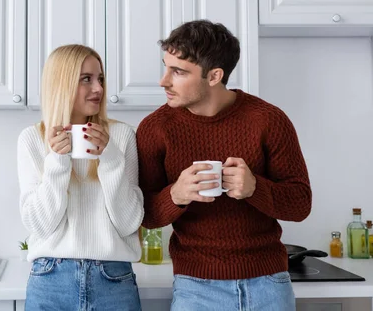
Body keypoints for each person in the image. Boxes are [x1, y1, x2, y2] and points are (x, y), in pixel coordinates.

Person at [136, 20, 312, 311]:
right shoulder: (155, 128)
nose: (163, 81)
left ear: (214, 75)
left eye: (178, 71)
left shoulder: (269, 120)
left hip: (268, 284)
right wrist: (175, 196)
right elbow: (144, 215)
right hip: (195, 288)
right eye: (166, 67)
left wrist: (255, 188)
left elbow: (300, 204)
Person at [17, 44, 144, 311]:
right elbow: (40, 225)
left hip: (114, 281)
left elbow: (128, 222)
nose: (98, 88)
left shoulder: (122, 137)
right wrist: (57, 160)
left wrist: (109, 158)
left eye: (100, 79)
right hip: (51, 280)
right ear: (61, 83)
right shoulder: (32, 139)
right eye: (86, 79)